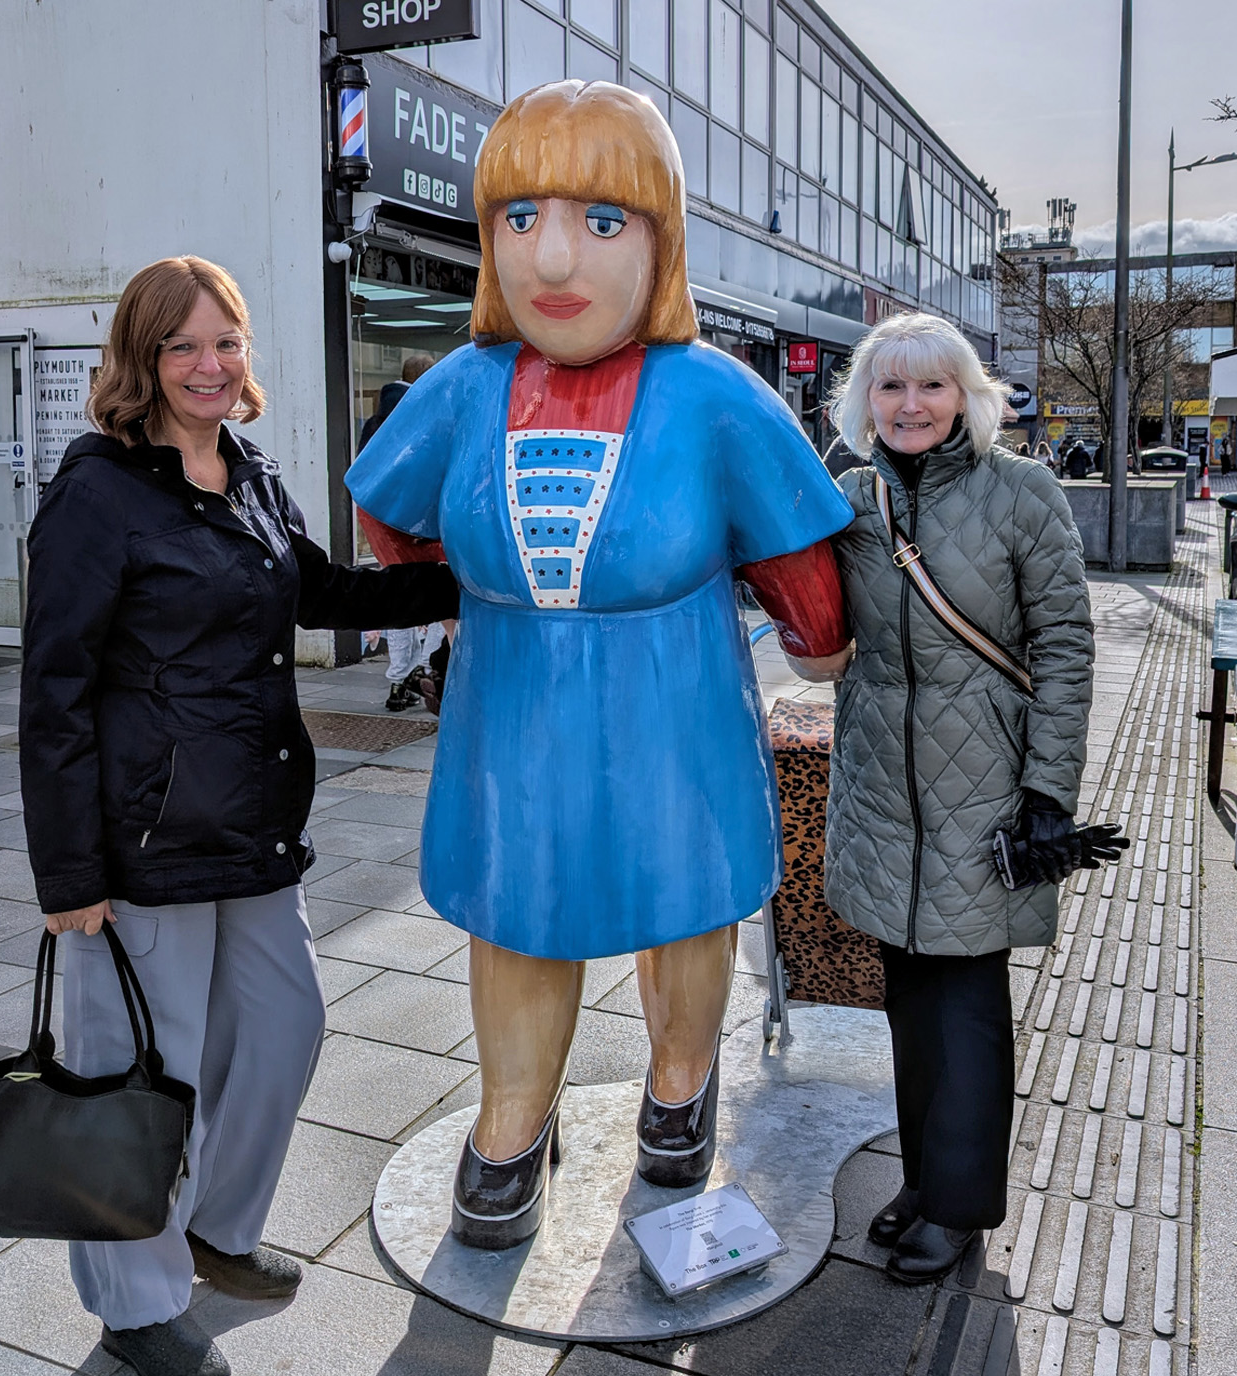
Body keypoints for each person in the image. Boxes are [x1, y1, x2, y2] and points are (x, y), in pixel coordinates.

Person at [346, 80, 853, 1250]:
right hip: (513, 712)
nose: (553, 256)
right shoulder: (466, 383)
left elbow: (795, 555)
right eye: (518, 218)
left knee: (683, 902)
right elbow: (391, 518)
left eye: (600, 220)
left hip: (674, 705)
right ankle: (513, 1114)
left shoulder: (715, 395)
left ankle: (679, 1082)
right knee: (517, 910)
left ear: (660, 240)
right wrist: (467, 580)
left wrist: (817, 642)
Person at [19, 257, 459, 1376]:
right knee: (144, 1077)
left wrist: (467, 574)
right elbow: (54, 688)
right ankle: (136, 1301)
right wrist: (69, 874)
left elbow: (324, 593)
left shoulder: (251, 473)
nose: (210, 366)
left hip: (254, 818)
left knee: (283, 1025)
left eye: (226, 342)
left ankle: (212, 1229)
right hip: (145, 837)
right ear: (142, 360)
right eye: (183, 347)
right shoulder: (96, 492)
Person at [824, 312, 1094, 1284]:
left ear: (964, 393)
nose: (909, 405)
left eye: (929, 385)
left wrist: (1046, 792)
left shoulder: (1019, 492)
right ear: (865, 401)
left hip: (982, 787)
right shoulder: (848, 498)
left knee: (967, 1002)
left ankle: (962, 1204)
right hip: (881, 787)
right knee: (906, 997)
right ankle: (922, 1177)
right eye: (889, 388)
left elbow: (1063, 646)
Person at [357, 353, 443, 711]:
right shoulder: (424, 413)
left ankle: (398, 680)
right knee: (439, 597)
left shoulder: (377, 419)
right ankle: (430, 669)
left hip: (381, 522)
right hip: (421, 525)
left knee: (399, 599)